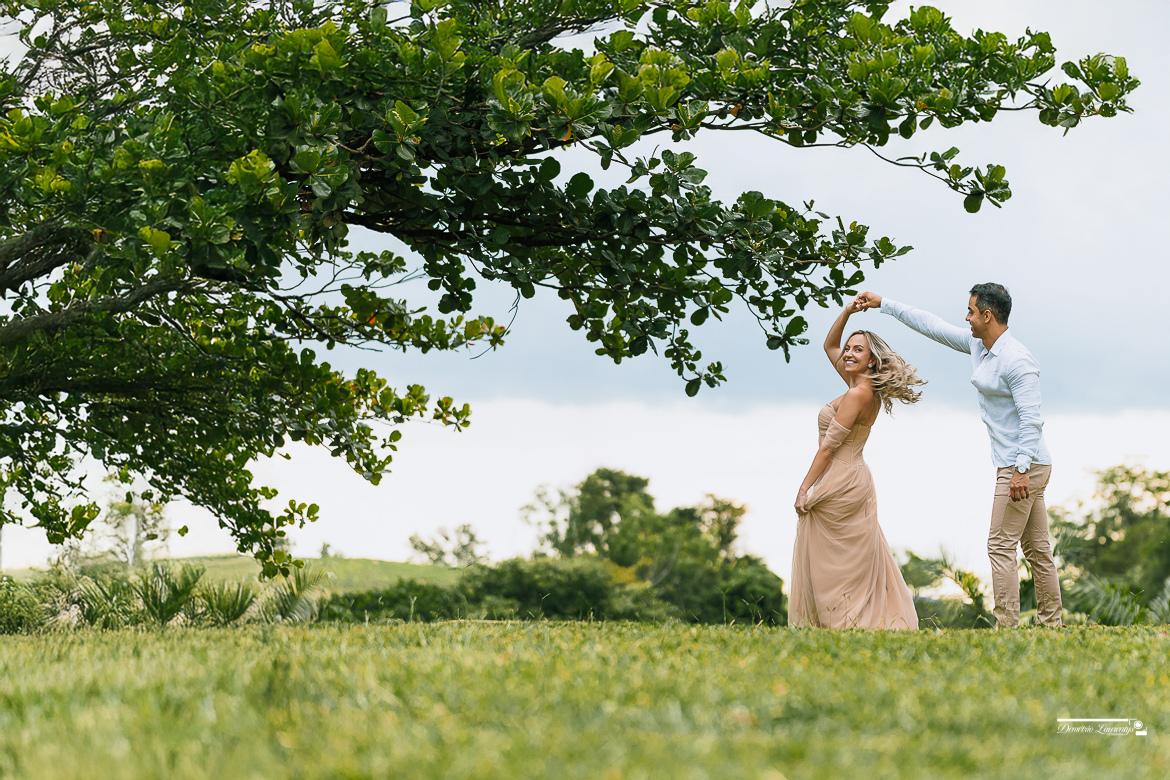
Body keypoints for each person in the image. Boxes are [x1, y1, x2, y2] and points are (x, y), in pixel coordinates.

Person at [854, 284, 1062, 628]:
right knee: (1038, 549)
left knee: (1000, 545)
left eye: (970, 311)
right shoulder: (980, 346)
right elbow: (932, 325)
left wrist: (1021, 470)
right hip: (1022, 462)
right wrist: (884, 303)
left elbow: (1032, 418)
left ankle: (1007, 627)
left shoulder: (1017, 360)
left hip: (1022, 464)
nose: (966, 318)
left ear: (987, 315)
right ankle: (1052, 625)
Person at [789, 299, 924, 629]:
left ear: (871, 360)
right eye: (849, 348)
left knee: (832, 563)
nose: (848, 354)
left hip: (841, 478)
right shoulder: (861, 385)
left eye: (857, 350)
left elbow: (828, 448)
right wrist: (848, 312)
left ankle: (843, 622)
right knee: (842, 560)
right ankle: (848, 621)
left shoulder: (857, 394)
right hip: (853, 476)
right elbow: (829, 345)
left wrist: (804, 488)